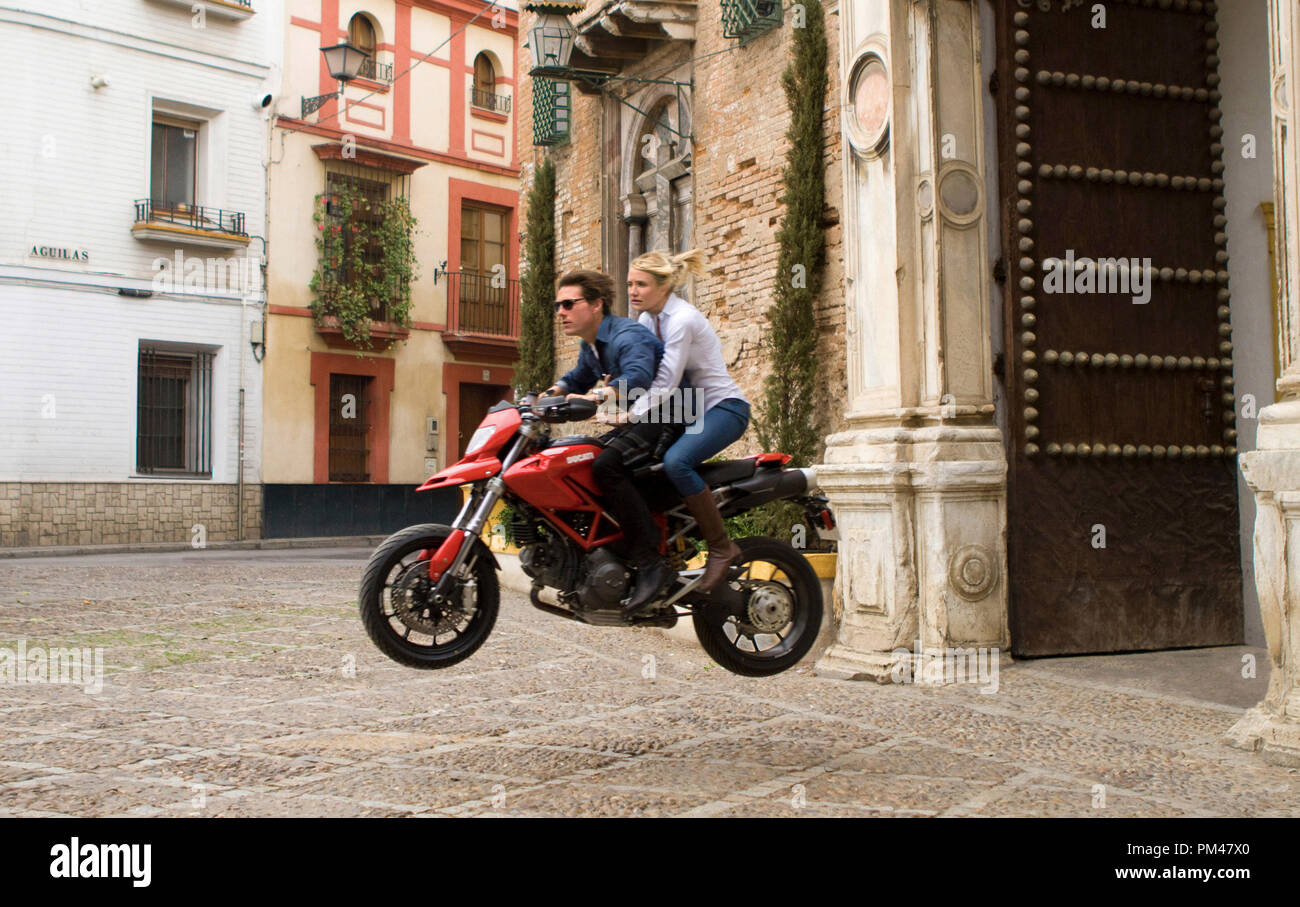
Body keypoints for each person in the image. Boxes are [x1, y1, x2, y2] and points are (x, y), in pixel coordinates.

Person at [542, 269, 676, 612]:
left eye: (569, 304)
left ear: (597, 305)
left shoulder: (626, 336)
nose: (561, 311)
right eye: (558, 305)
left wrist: (599, 396)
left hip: (667, 415)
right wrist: (545, 396)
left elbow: (638, 376)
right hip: (640, 419)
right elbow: (576, 377)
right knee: (583, 457)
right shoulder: (593, 346)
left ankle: (651, 561)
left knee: (606, 464)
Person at [623, 249, 751, 592]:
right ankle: (669, 549)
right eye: (630, 284)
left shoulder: (682, 319)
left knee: (676, 462)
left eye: (641, 284)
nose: (633, 291)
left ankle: (722, 547)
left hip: (723, 408)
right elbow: (643, 371)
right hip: (685, 409)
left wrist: (631, 412)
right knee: (632, 463)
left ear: (664, 286)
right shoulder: (648, 320)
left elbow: (665, 381)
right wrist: (603, 395)